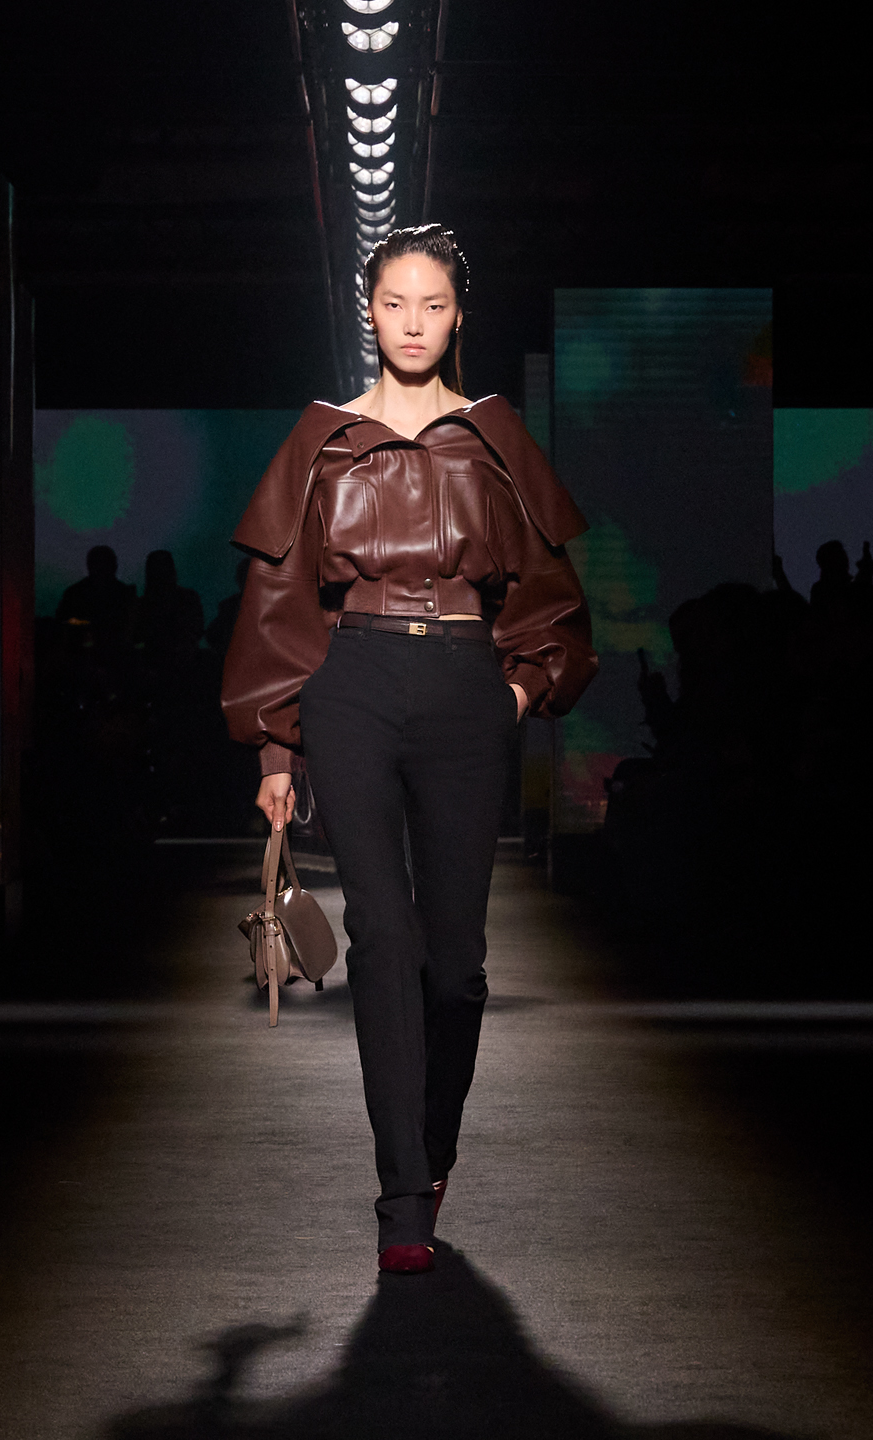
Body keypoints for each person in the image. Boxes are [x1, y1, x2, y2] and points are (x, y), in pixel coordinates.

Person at [221, 225, 597, 1274]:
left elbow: (552, 596)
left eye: (434, 304)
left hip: (466, 686)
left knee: (457, 967)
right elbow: (278, 598)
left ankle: (431, 1151)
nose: (415, 323)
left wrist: (514, 692)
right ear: (370, 311)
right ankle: (401, 1198)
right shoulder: (323, 438)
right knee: (383, 935)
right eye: (396, 304)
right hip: (352, 682)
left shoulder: (494, 438)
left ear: (459, 314)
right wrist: (275, 752)